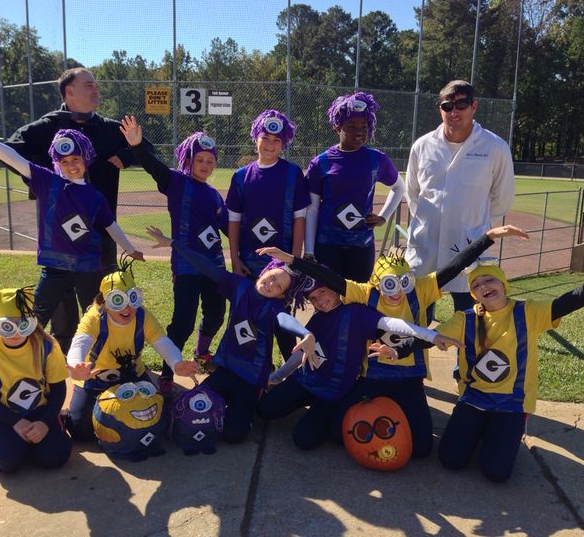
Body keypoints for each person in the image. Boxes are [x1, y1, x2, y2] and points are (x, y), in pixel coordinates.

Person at [258, 224, 528, 458]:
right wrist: (292, 260)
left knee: (422, 449)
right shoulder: (365, 294)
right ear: (377, 283)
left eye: (403, 282)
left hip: (409, 378)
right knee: (337, 434)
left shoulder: (421, 290)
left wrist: (489, 237)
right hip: (374, 377)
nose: (396, 291)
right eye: (389, 284)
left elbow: (453, 267)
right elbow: (331, 279)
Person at [6, 68, 154, 353]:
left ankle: (102, 351)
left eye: (97, 85)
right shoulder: (46, 126)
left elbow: (143, 146)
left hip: (101, 227)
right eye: (89, 85)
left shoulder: (109, 128)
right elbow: (12, 150)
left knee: (101, 293)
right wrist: (44, 175)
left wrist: (124, 156)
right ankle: (63, 352)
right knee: (60, 301)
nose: (96, 90)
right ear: (68, 91)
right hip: (60, 234)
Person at [0, 114, 144, 338]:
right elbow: (13, 158)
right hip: (54, 267)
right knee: (35, 320)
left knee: (95, 318)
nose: (71, 166)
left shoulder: (95, 196)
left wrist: (130, 248)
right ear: (57, 163)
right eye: (64, 162)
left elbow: (110, 225)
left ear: (86, 159)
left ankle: (98, 364)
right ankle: (28, 360)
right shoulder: (47, 181)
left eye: (75, 159)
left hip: (88, 267)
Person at [435, 263, 584, 482]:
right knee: (450, 460)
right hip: (474, 399)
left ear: (503, 284)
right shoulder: (465, 318)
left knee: (496, 473)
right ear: (474, 294)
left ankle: (499, 433)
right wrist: (400, 346)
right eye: (477, 285)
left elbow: (561, 305)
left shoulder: (527, 312)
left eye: (489, 280)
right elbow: (432, 337)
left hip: (511, 404)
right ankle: (479, 430)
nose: (484, 287)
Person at [146, 225, 316, 444]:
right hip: (226, 368)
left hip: (250, 379)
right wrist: (173, 244)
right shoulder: (239, 286)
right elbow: (207, 267)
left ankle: (254, 400)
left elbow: (285, 320)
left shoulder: (274, 308)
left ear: (281, 295)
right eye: (273, 277)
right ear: (265, 272)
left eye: (278, 286)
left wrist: (305, 333)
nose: (271, 284)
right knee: (193, 407)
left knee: (234, 435)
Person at [257, 277, 460, 451]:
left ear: (336, 289)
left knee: (303, 439)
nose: (319, 300)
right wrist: (276, 377)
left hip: (332, 392)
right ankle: (302, 405)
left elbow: (393, 324)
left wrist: (431, 336)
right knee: (266, 409)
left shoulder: (356, 313)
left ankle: (322, 415)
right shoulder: (318, 317)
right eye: (313, 298)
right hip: (305, 381)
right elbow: (302, 350)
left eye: (323, 292)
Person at [119, 116, 228, 395]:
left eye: (210, 161)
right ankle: (168, 371)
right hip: (187, 266)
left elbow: (228, 227)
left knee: (216, 314)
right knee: (183, 321)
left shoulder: (215, 195)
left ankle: (202, 353)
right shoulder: (177, 182)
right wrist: (137, 146)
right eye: (199, 160)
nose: (205, 165)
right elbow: (154, 167)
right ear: (188, 160)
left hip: (214, 266)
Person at [405, 79, 515, 319]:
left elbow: (502, 197)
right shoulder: (422, 146)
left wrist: (478, 227)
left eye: (461, 104)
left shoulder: (494, 147)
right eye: (447, 106)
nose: (454, 111)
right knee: (417, 315)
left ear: (473, 106)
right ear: (440, 110)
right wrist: (427, 223)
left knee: (470, 320)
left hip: (469, 247)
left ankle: (464, 359)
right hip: (425, 247)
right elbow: (413, 193)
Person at [65, 256, 200, 440]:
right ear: (104, 301)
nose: (128, 307)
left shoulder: (142, 316)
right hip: (93, 377)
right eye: (118, 300)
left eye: (133, 298)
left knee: (154, 419)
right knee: (81, 431)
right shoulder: (95, 317)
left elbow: (161, 341)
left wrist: (176, 363)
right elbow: (81, 342)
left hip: (131, 374)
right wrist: (76, 365)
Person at [225, 109, 310, 360]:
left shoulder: (292, 173)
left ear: (283, 143)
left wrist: (294, 259)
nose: (270, 145)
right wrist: (235, 258)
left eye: (277, 141)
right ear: (256, 139)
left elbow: (299, 218)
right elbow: (234, 221)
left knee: (282, 323)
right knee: (248, 320)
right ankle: (253, 370)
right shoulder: (241, 176)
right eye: (265, 138)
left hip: (281, 267)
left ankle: (292, 370)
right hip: (249, 264)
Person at [0, 287, 71, 473]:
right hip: (3, 414)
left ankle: (56, 425)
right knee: (8, 464)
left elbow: (58, 388)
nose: (16, 333)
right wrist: (15, 422)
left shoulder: (46, 345)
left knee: (54, 457)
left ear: (32, 321)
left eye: (23, 325)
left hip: (40, 410)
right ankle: (1, 436)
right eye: (7, 326)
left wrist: (45, 423)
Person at [305, 91, 405, 283]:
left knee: (358, 301)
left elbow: (399, 187)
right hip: (327, 246)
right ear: (337, 127)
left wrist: (383, 217)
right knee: (328, 299)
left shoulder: (377, 159)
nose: (359, 131)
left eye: (364, 126)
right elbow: (312, 210)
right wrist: (309, 251)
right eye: (351, 126)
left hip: (361, 246)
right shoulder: (321, 163)